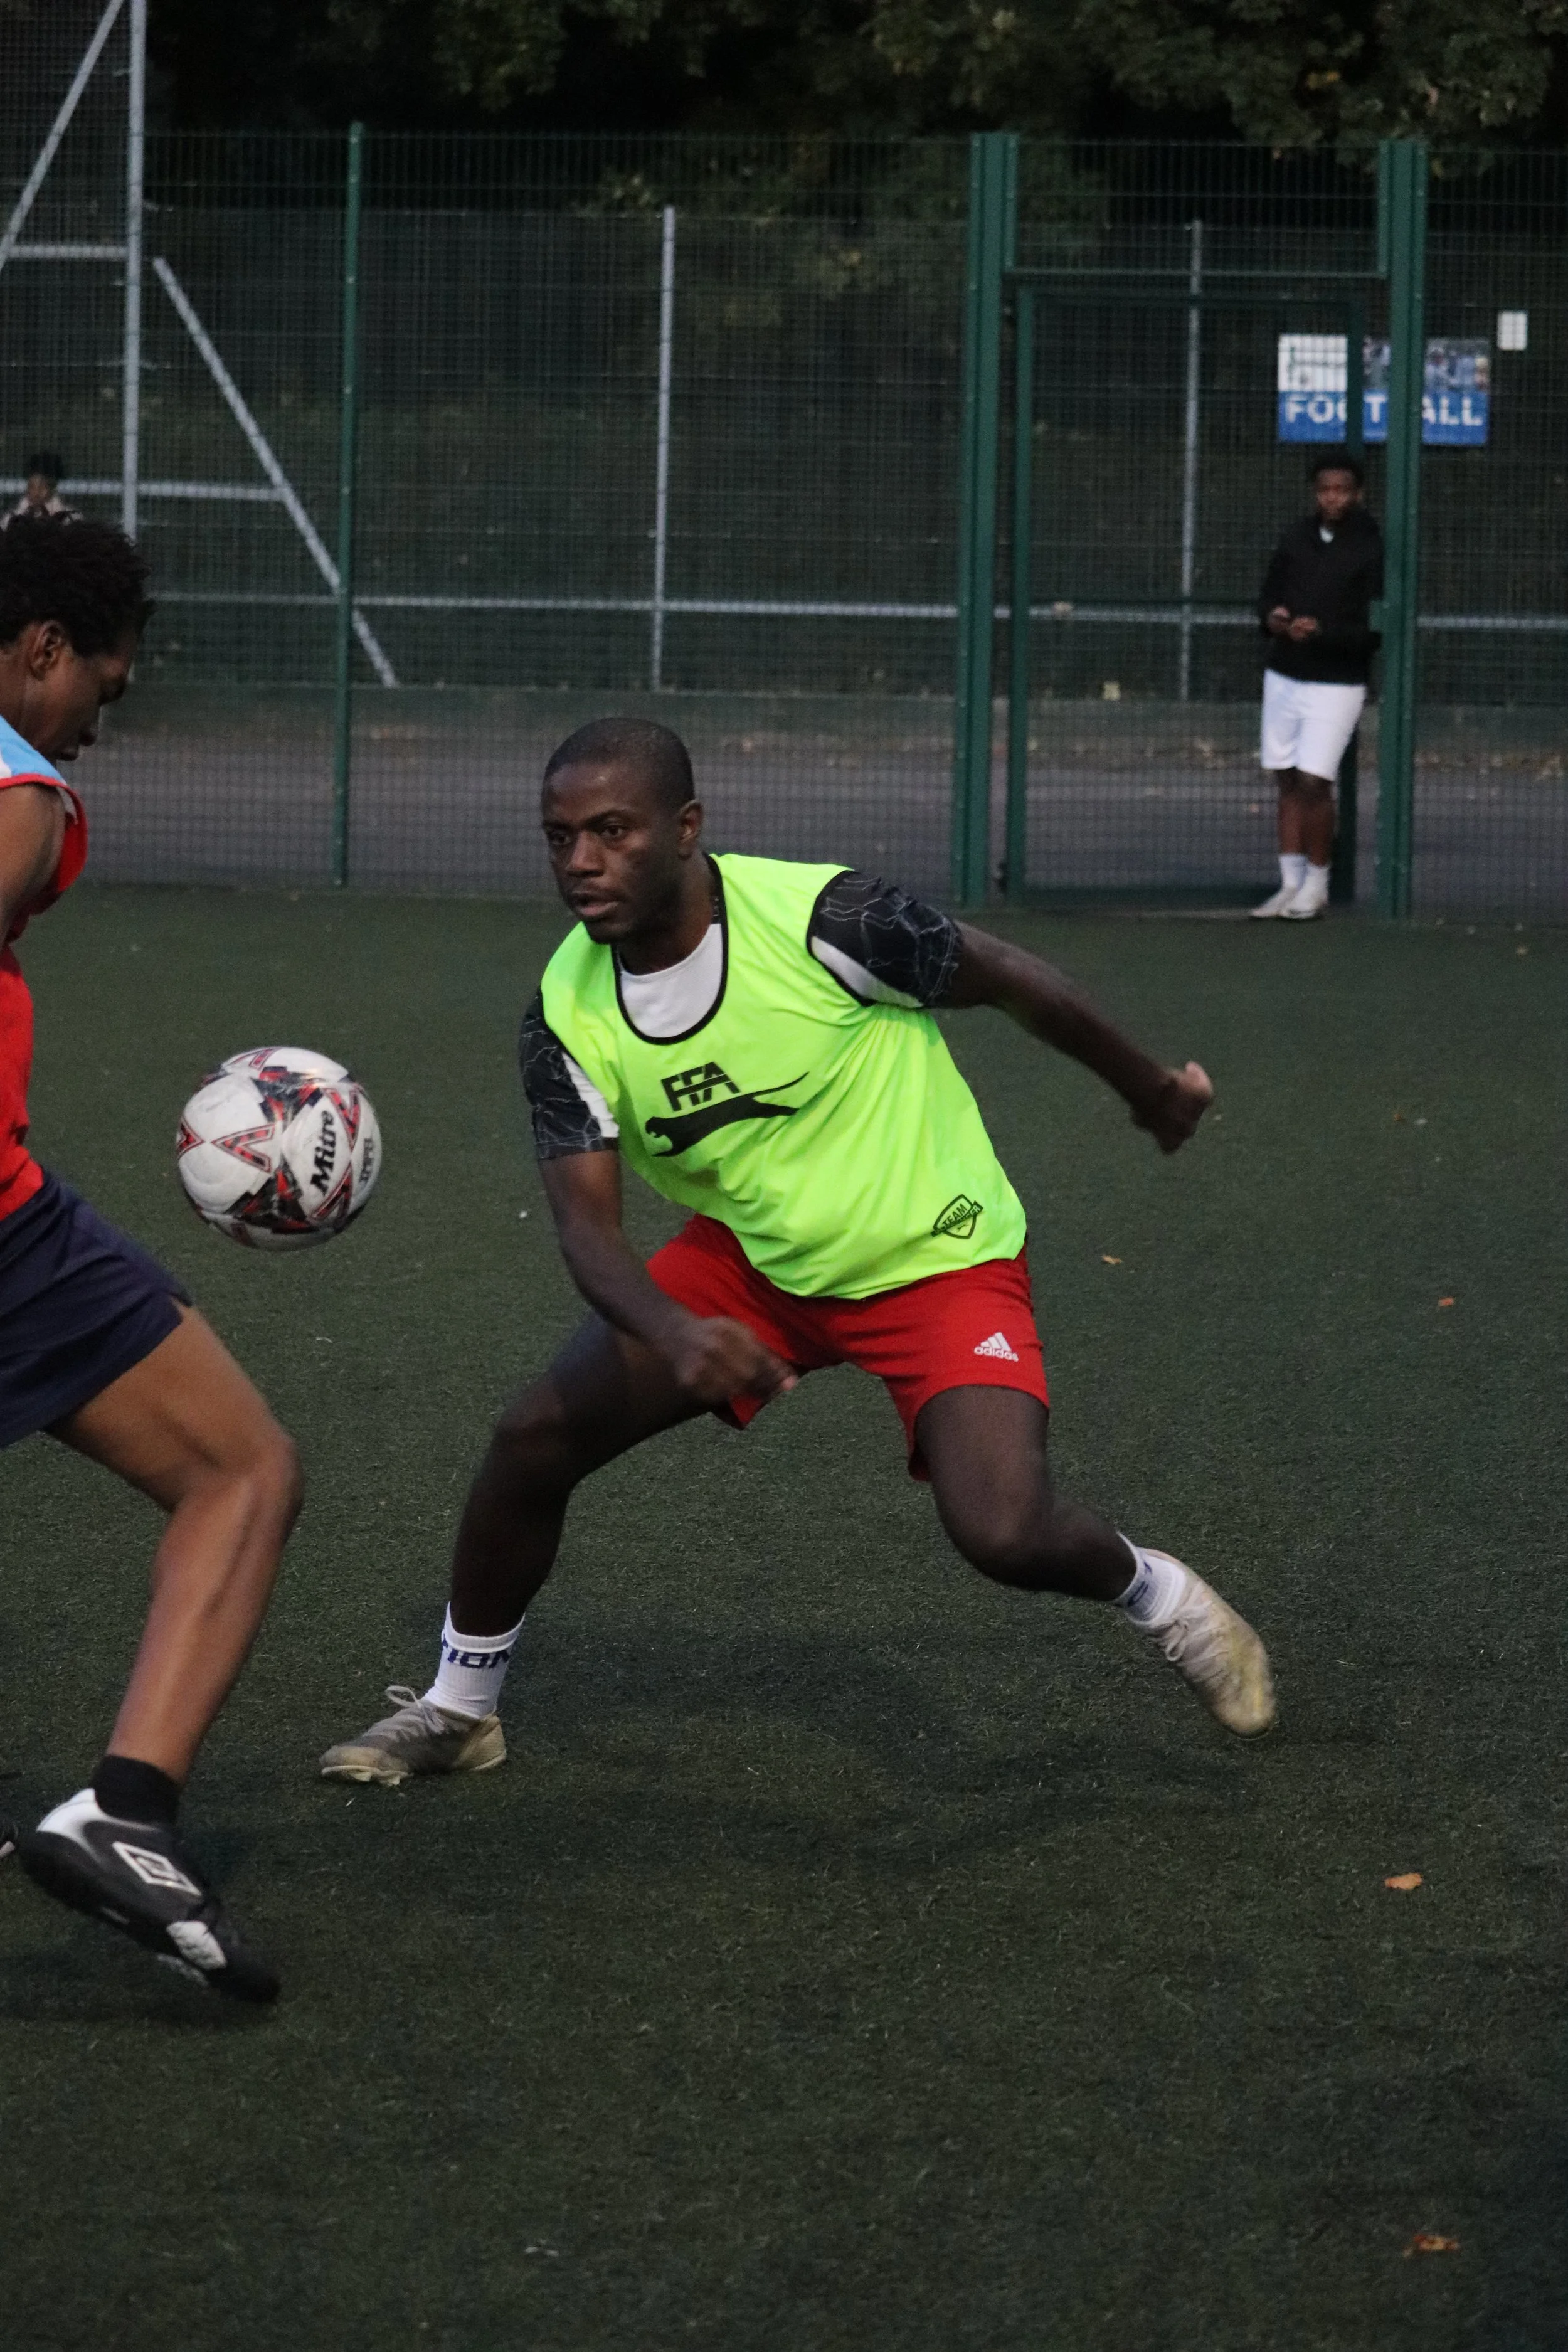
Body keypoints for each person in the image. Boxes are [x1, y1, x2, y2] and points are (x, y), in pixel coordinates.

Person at [322, 716, 1274, 1791]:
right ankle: (460, 1711)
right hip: (756, 1265)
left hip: (935, 1253)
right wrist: (676, 1331)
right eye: (559, 837)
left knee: (1005, 1530)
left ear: (687, 828)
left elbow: (1013, 978)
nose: (581, 861)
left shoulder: (833, 921)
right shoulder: (564, 1016)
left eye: (612, 831)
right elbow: (587, 1230)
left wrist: (1152, 1090)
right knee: (535, 1436)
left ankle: (1166, 1600)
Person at [0, 516, 298, 2003]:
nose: (94, 729)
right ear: (43, 650)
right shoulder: (20, 789)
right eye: (98, 691)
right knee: (242, 1469)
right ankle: (126, 1813)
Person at [1251, 452, 1384, 922]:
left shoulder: (1372, 546)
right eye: (1325, 490)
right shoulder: (1295, 537)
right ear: (1315, 493)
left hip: (1338, 682)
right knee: (1286, 777)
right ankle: (1289, 885)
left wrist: (1323, 632)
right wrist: (1274, 619)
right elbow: (1268, 596)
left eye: (1342, 490)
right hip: (1284, 673)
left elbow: (1373, 628)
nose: (1333, 498)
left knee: (1314, 781)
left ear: (1358, 494)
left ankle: (1317, 885)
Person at [3, 452, 75, 528]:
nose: (36, 493)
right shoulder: (10, 519)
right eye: (32, 487)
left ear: (53, 488)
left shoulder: (70, 519)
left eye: (42, 488)